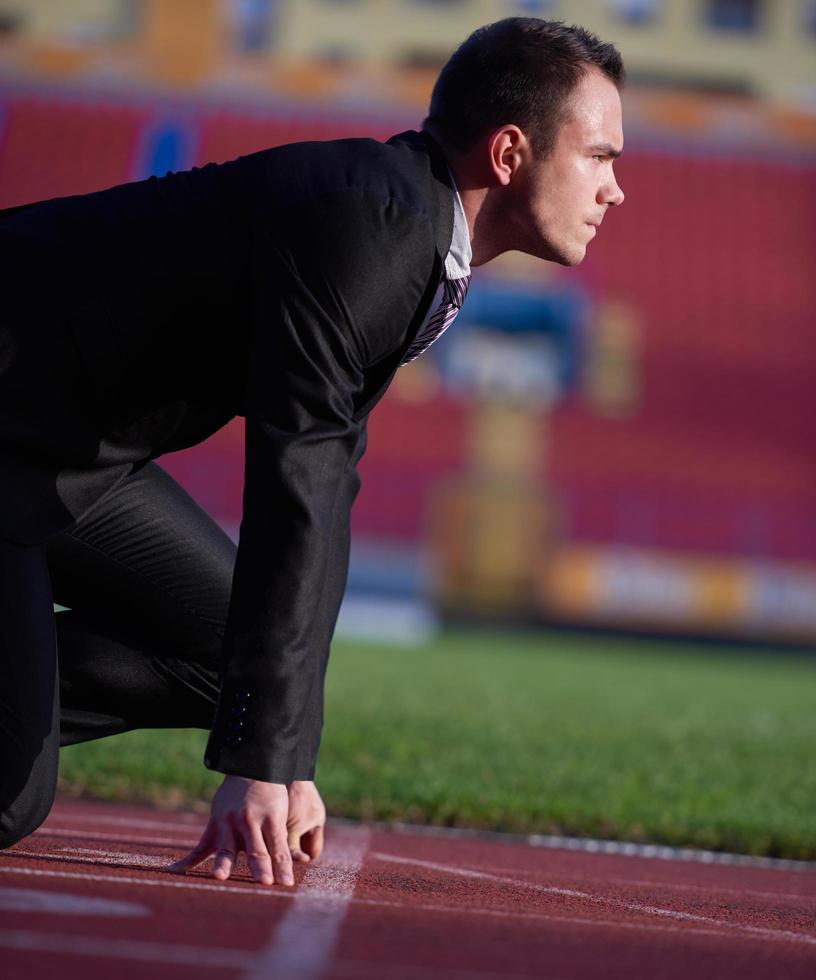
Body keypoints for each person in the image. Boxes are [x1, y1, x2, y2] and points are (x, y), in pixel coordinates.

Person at [0, 17, 624, 886]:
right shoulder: (373, 224)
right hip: (15, 427)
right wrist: (261, 764)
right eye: (600, 157)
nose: (615, 190)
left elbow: (326, 506)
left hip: (64, 451)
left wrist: (284, 753)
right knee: (7, 795)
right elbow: (300, 481)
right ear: (512, 152)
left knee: (228, 650)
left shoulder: (413, 236)